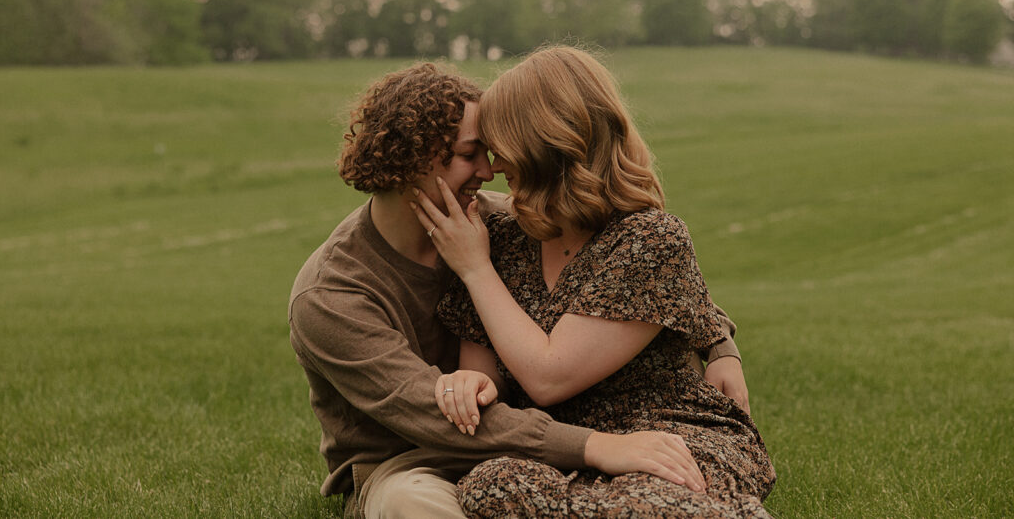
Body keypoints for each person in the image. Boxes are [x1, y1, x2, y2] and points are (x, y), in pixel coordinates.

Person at [288, 61, 751, 518]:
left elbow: (636, 268)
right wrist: (594, 446)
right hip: (418, 458)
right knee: (413, 504)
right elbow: (435, 418)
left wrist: (718, 339)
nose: (489, 172)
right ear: (411, 159)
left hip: (531, 441)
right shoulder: (332, 294)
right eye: (471, 154)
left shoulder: (499, 221)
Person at [412, 47, 776, 517]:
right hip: (560, 446)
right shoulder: (498, 236)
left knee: (643, 498)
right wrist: (472, 384)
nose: (494, 167)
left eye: (501, 146)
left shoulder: (649, 239)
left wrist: (475, 270)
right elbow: (488, 373)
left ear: (547, 144)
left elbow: (548, 375)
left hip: (668, 433)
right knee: (491, 485)